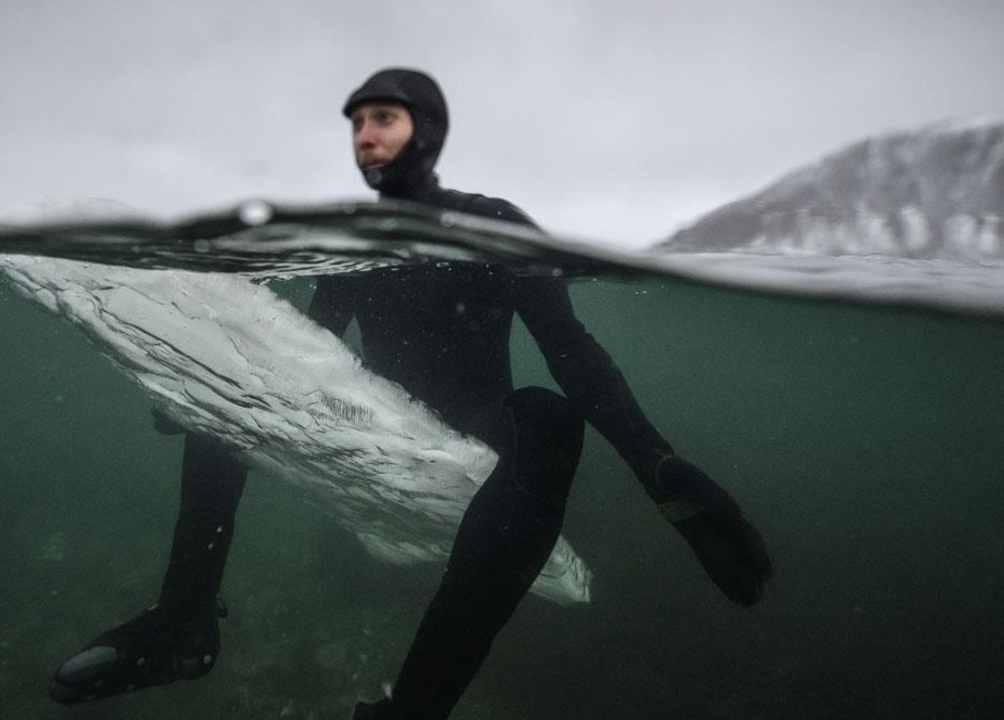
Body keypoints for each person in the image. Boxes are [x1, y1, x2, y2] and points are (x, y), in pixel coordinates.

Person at [49, 68, 773, 719]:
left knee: (549, 418)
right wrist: (202, 384)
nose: (365, 137)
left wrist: (656, 466)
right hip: (366, 419)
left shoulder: (494, 223)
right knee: (243, 389)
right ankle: (183, 623)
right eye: (357, 124)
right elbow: (302, 351)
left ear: (428, 131)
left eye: (383, 120)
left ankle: (415, 711)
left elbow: (570, 351)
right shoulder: (349, 239)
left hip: (474, 431)